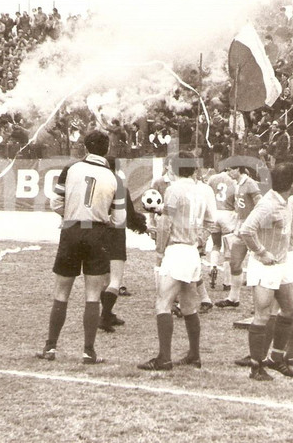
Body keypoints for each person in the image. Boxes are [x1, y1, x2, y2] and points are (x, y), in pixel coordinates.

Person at [36, 130, 125, 365]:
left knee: (61, 292)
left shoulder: (71, 169)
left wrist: (74, 215)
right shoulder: (114, 177)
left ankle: (50, 347)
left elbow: (56, 202)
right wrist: (102, 218)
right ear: (106, 150)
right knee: (93, 294)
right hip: (97, 234)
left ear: (85, 147)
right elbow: (119, 219)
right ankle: (88, 351)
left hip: (72, 230)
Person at [137, 151, 215, 371]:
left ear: (174, 168)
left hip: (177, 250)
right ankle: (194, 355)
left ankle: (164, 358)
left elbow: (165, 223)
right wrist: (201, 239)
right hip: (191, 251)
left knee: (163, 302)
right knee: (189, 305)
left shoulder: (173, 189)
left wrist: (160, 252)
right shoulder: (201, 190)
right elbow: (210, 220)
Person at [239, 162, 293, 381]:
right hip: (265, 266)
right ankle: (256, 366)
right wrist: (262, 252)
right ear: (292, 183)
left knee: (289, 309)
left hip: (282, 265)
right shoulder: (267, 204)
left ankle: (276, 358)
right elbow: (246, 230)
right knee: (263, 315)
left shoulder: (286, 202)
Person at [98, 157, 148, 332]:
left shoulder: (96, 185)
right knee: (115, 280)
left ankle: (108, 313)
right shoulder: (119, 187)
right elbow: (130, 218)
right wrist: (145, 227)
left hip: (97, 234)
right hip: (116, 235)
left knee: (104, 278)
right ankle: (104, 316)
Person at [215, 166, 262, 308]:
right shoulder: (237, 184)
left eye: (231, 170)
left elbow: (260, 205)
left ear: (238, 169)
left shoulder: (250, 183)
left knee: (258, 264)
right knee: (234, 262)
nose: (228, 173)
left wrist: (253, 224)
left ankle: (260, 304)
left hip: (252, 229)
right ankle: (233, 298)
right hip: (240, 228)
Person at [206, 165, 239, 289]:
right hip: (228, 214)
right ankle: (227, 282)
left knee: (216, 244)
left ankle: (213, 266)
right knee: (228, 250)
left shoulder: (212, 179)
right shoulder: (234, 181)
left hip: (214, 213)